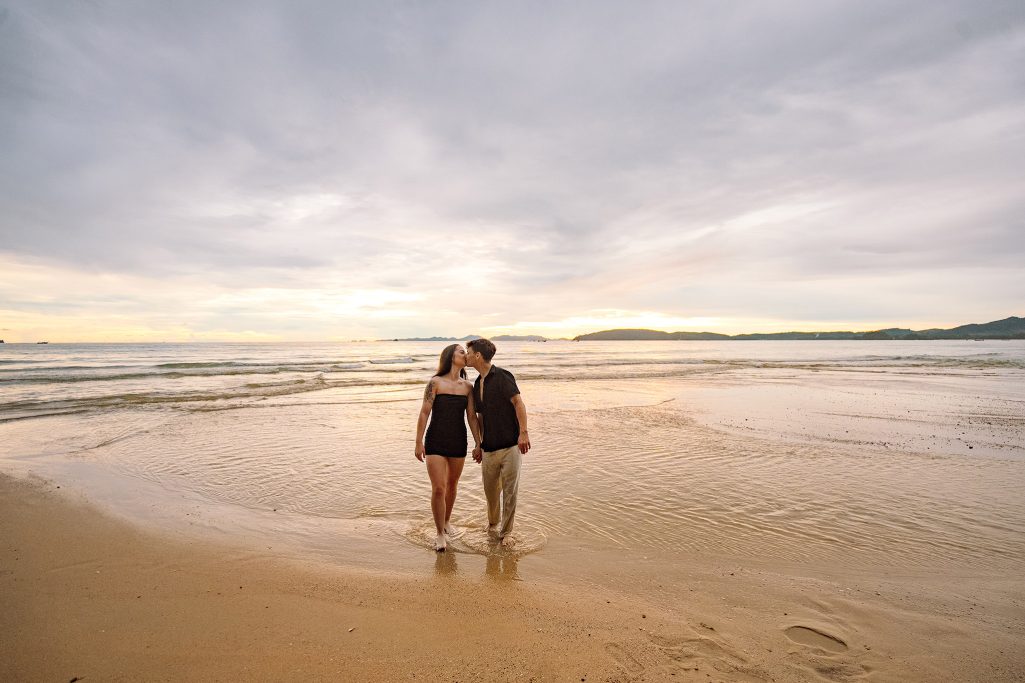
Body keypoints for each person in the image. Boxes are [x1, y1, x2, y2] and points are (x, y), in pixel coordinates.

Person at [415, 344, 482, 552]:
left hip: (458, 440)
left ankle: (446, 521)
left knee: (452, 485)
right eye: (462, 351)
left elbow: (471, 416)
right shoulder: (435, 382)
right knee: (439, 488)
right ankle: (439, 534)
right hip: (435, 439)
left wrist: (479, 442)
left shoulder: (468, 387)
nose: (465, 354)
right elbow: (425, 412)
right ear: (450, 356)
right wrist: (418, 441)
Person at [465, 338, 530, 548]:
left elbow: (518, 402)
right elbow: (480, 416)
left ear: (477, 356)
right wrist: (479, 444)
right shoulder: (477, 383)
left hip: (511, 445)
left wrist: (523, 433)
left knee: (510, 492)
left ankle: (507, 533)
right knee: (491, 493)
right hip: (489, 448)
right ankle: (493, 525)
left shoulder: (503, 376)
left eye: (468, 352)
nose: (466, 356)